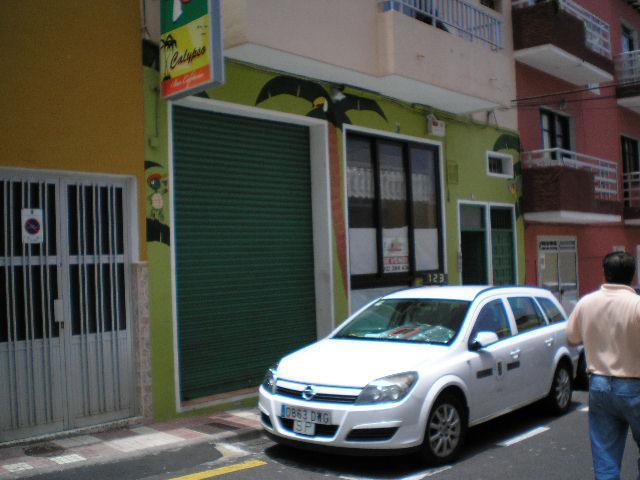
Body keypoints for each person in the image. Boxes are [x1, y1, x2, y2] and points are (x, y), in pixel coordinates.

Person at [566, 251, 640, 480]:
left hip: (599, 385)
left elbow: (572, 337)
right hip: (635, 384)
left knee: (605, 459)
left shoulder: (586, 303)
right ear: (633, 276)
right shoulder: (637, 305)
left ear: (605, 273)